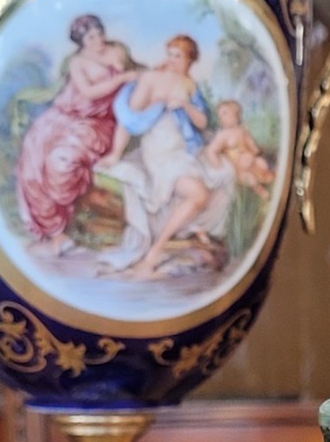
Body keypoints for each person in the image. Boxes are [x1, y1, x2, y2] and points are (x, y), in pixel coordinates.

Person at [98, 35, 236, 279]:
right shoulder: (152, 79)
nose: (172, 60)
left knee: (225, 175)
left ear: (190, 61)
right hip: (160, 152)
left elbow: (202, 123)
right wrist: (115, 153)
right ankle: (154, 253)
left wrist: (184, 104)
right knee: (199, 193)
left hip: (185, 151)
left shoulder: (188, 84)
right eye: (170, 54)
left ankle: (177, 238)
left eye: (178, 56)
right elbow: (129, 120)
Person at [15, 13, 136, 253]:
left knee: (59, 161)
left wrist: (127, 75)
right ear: (81, 41)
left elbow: (134, 76)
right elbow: (89, 93)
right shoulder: (77, 63)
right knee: (32, 158)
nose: (98, 40)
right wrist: (121, 77)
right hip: (63, 116)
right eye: (91, 37)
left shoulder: (117, 51)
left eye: (99, 33)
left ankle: (67, 216)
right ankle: (55, 232)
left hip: (97, 123)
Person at [200, 99, 275, 196]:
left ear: (235, 113)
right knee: (250, 179)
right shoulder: (222, 135)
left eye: (225, 113)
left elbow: (250, 142)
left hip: (251, 161)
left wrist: (255, 152)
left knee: (262, 163)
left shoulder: (241, 129)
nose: (221, 118)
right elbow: (211, 151)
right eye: (220, 115)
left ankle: (267, 177)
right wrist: (219, 167)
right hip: (238, 169)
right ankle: (260, 191)